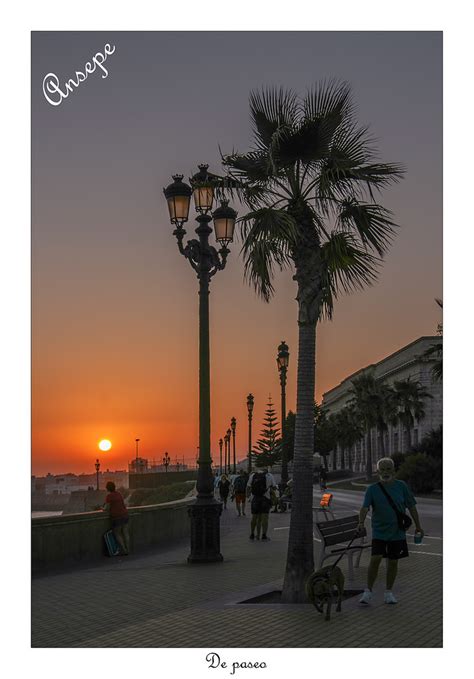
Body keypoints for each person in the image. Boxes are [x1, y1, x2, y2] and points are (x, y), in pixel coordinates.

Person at [357, 457, 424, 605]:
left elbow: (412, 506)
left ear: (393, 471)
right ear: (377, 471)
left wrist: (418, 526)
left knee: (393, 562)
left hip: (397, 532)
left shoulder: (401, 486)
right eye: (383, 469)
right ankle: (368, 592)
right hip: (379, 532)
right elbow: (364, 507)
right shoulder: (372, 489)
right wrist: (361, 522)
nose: (386, 472)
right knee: (375, 559)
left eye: (389, 469)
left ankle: (388, 593)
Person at [246, 466, 276, 540]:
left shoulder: (253, 475)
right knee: (264, 518)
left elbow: (248, 487)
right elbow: (274, 487)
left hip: (255, 498)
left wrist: (248, 496)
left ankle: (252, 534)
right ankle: (264, 535)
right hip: (265, 498)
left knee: (254, 517)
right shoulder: (269, 476)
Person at [103, 481, 130, 555]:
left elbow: (107, 508)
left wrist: (102, 508)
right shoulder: (119, 494)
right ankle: (128, 549)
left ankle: (124, 550)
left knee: (117, 534)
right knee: (125, 533)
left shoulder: (109, 496)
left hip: (117, 517)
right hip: (125, 515)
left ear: (108, 488)